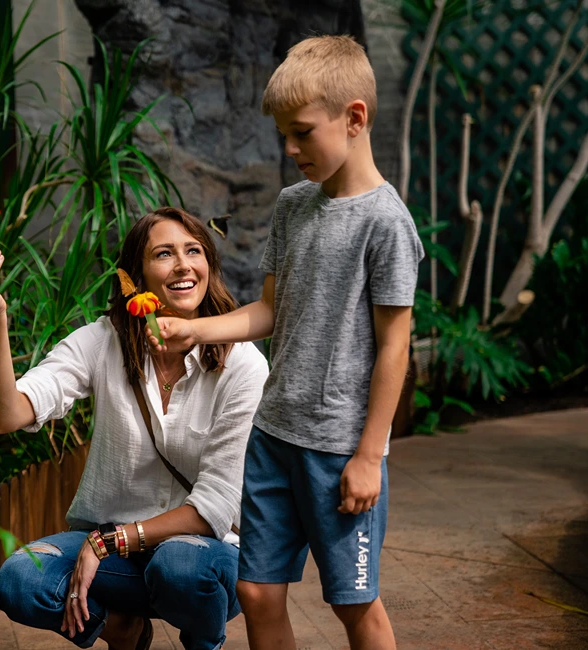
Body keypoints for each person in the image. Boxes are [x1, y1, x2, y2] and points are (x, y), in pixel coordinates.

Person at [148, 36, 424, 650]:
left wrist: (368, 456)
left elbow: (395, 349)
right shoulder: (293, 206)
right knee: (256, 592)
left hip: (338, 449)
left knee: (355, 604)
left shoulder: (387, 224)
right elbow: (270, 310)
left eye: (302, 132)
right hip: (273, 438)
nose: (291, 149)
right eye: (283, 136)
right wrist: (196, 328)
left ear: (354, 118)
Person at [0, 207, 269, 650]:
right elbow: (8, 414)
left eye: (194, 251)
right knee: (22, 578)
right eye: (164, 253)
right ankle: (119, 627)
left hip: (205, 553)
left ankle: (204, 642)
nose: (184, 265)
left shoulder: (242, 363)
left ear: (209, 267)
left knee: (180, 565)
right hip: (115, 554)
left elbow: (214, 508)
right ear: (135, 278)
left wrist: (108, 542)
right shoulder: (102, 341)